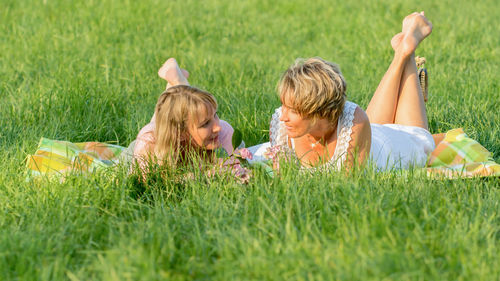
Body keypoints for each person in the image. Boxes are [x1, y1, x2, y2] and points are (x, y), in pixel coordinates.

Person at [268, 12, 438, 171]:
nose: (283, 116)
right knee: (373, 126)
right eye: (284, 106)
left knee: (414, 135)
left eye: (293, 110)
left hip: (401, 146)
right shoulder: (282, 126)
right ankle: (403, 50)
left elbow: (346, 184)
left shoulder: (355, 121)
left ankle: (407, 51)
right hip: (375, 133)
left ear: (318, 111)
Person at [131, 58, 234, 174]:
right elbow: (145, 182)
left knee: (184, 105)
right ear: (181, 133)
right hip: (160, 137)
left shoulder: (223, 132)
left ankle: (177, 81)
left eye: (215, 115)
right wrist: (207, 175)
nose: (217, 127)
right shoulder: (149, 142)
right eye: (205, 124)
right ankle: (178, 80)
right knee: (170, 111)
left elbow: (230, 173)